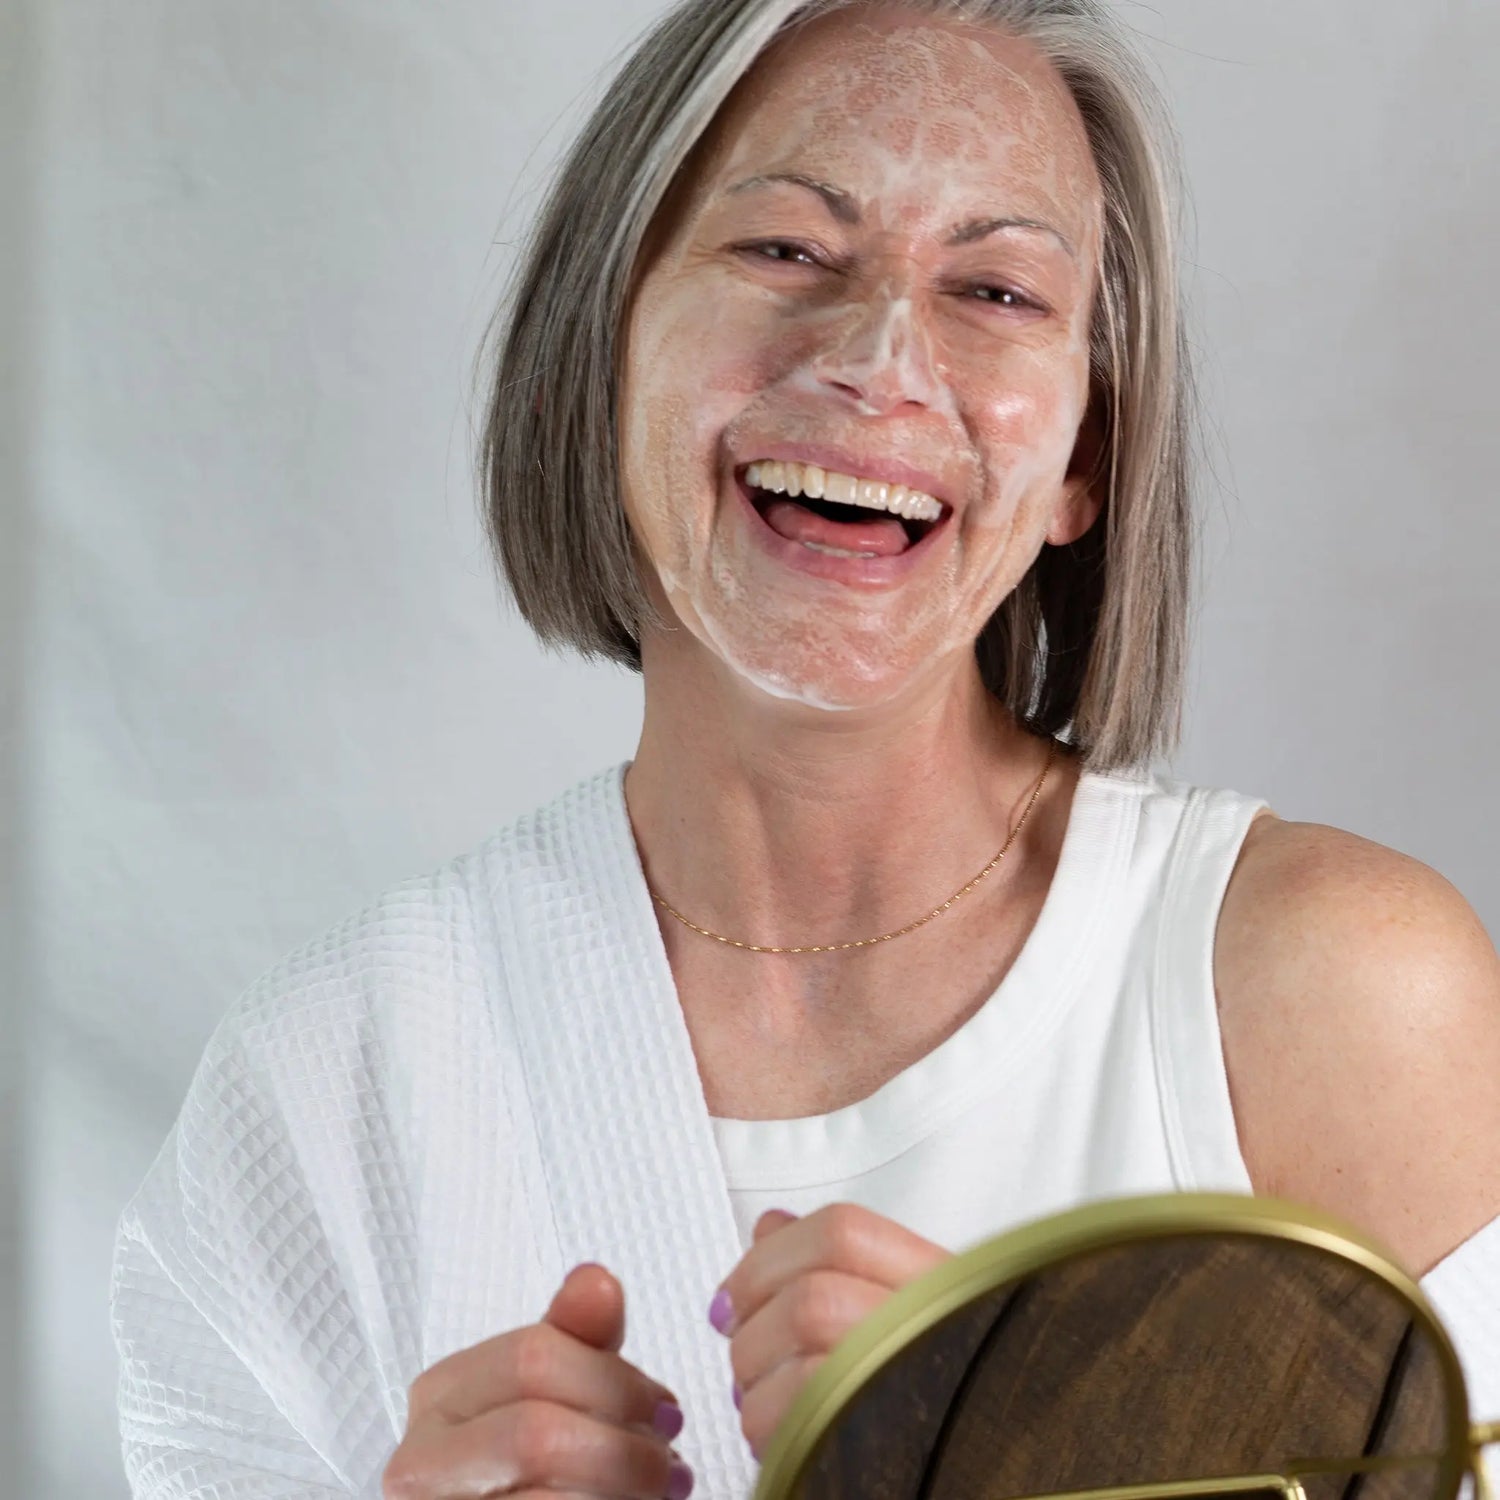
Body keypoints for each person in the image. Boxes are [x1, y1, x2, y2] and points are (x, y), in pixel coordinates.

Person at [110, 1, 1500, 1497]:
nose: (880, 360)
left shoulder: (1344, 1004)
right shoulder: (316, 1104)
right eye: (784, 250)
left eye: (997, 290)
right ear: (606, 343)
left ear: (1083, 460)